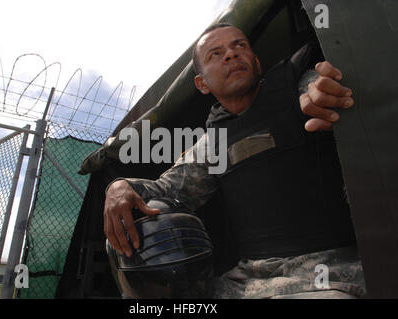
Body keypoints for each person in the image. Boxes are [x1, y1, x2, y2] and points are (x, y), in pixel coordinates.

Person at [103, 23, 366, 298]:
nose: (230, 54)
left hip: (328, 275)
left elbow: (327, 89)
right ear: (202, 84)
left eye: (239, 46)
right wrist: (118, 187)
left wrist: (333, 96)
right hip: (246, 282)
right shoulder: (213, 142)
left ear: (257, 63)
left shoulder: (300, 87)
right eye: (215, 54)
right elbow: (169, 192)